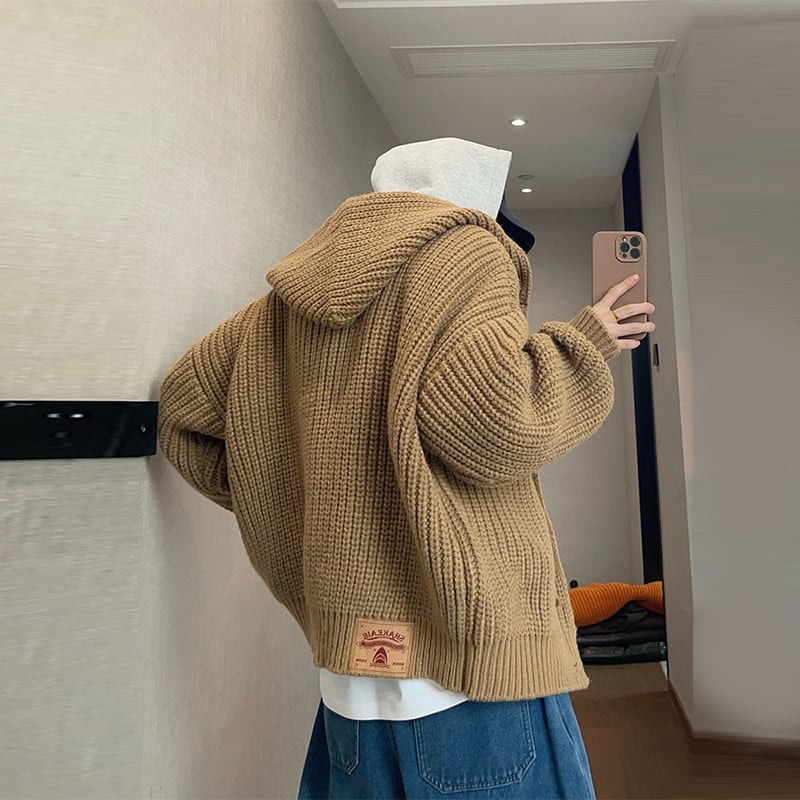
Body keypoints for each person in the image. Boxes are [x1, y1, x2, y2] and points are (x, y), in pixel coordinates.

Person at [158, 137, 656, 799]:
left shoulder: (287, 300)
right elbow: (496, 425)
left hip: (348, 687)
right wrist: (586, 341)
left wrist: (290, 501)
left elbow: (184, 412)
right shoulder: (465, 251)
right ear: (474, 200)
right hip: (469, 681)